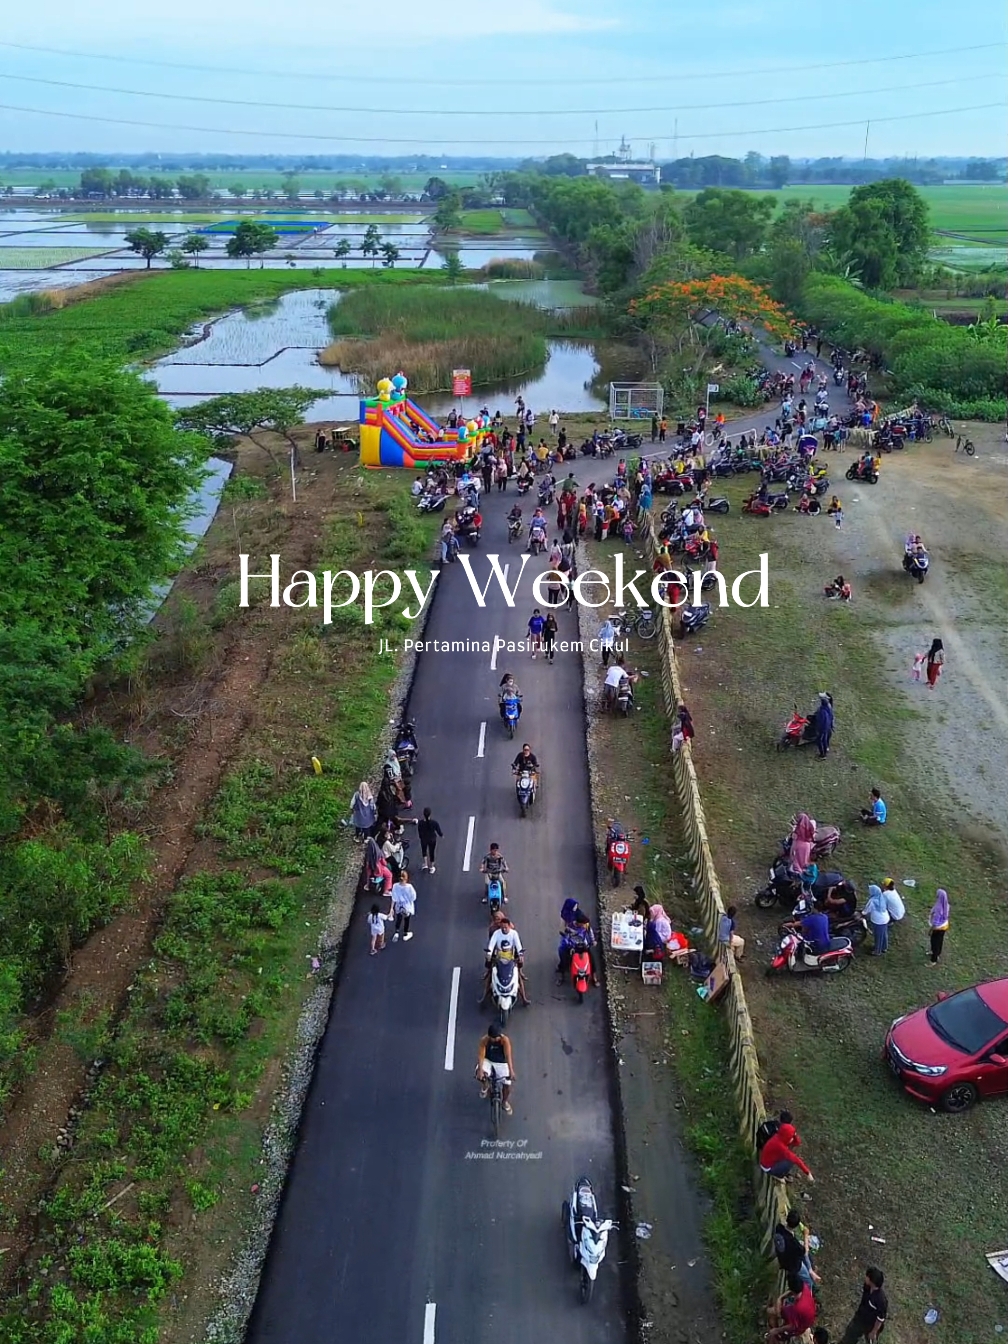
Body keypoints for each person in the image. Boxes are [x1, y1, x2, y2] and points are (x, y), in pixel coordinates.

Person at [481, 913, 530, 1006]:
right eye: (502, 927)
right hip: (499, 958)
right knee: (492, 974)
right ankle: (484, 996)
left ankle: (524, 998)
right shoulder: (496, 933)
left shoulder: (514, 933)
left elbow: (518, 945)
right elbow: (491, 944)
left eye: (505, 927)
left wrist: (520, 954)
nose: (504, 929)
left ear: (508, 926)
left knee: (517, 976)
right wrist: (489, 953)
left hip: (510, 958)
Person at [838, 1267, 887, 1344]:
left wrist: (874, 1332)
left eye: (867, 1277)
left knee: (870, 1340)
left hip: (871, 1325)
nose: (865, 1278)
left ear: (872, 1282)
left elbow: (880, 1318)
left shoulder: (880, 1300)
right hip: (860, 1318)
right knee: (850, 1335)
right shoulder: (867, 1287)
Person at [766, 1271, 817, 1343]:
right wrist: (781, 1298)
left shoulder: (799, 1308)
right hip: (800, 1315)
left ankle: (776, 1336)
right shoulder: (803, 1287)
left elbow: (792, 1326)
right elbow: (791, 1291)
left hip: (799, 1326)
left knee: (772, 1314)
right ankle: (774, 1331)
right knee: (771, 1311)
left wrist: (777, 1330)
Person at [476, 1023, 515, 1115]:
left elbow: (508, 1056)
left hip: (501, 1062)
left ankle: (504, 1102)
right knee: (480, 1074)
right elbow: (481, 1056)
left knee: (507, 1086)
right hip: (488, 1060)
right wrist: (481, 1070)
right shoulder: (484, 1040)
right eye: (493, 1038)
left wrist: (511, 1071)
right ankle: (486, 1086)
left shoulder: (505, 1041)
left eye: (497, 1037)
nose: (496, 1039)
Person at [389, 867, 417, 942]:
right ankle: (405, 933)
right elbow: (413, 897)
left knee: (399, 918)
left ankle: (397, 932)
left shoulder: (395, 886)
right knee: (406, 919)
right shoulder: (409, 887)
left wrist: (391, 908)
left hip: (398, 905)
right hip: (407, 906)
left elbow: (393, 897)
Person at [864, 884, 890, 956]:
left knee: (878, 936)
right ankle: (884, 947)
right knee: (884, 934)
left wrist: (862, 913)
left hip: (878, 921)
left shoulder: (872, 901)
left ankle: (877, 951)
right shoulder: (881, 897)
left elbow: (866, 911)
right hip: (885, 918)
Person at [417, 807, 443, 874]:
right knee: (432, 852)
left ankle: (425, 864)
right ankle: (432, 867)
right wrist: (441, 835)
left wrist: (421, 837)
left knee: (424, 851)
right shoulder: (434, 823)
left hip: (424, 839)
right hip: (432, 839)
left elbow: (419, 831)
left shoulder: (420, 823)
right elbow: (438, 831)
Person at [928, 888, 950, 964]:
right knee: (939, 941)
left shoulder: (938, 908)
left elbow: (935, 923)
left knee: (934, 942)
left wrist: (931, 930)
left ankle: (933, 959)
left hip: (938, 928)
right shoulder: (946, 904)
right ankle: (937, 953)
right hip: (944, 926)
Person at [814, 692, 834, 758]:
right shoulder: (829, 706)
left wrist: (819, 730)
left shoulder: (822, 711)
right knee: (826, 738)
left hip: (823, 728)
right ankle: (826, 748)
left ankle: (822, 754)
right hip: (828, 726)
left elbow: (822, 722)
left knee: (820, 740)